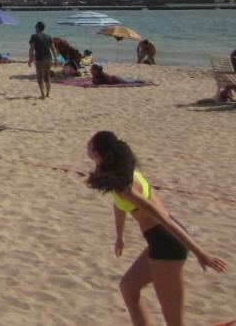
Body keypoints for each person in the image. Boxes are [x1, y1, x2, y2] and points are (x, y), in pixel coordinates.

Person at [85, 130, 225, 325]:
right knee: (128, 287)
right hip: (160, 242)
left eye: (89, 146)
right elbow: (118, 205)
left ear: (98, 155)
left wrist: (200, 253)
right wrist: (119, 235)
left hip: (167, 243)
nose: (87, 148)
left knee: (174, 321)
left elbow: (163, 218)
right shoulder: (122, 173)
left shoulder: (126, 187)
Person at [28, 21, 55, 99]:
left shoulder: (34, 36)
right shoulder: (48, 36)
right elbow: (53, 48)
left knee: (40, 77)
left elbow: (31, 49)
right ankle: (48, 94)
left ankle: (42, 95)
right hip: (49, 59)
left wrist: (30, 59)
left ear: (38, 28)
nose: (35, 28)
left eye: (35, 27)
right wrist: (55, 59)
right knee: (47, 77)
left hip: (40, 59)